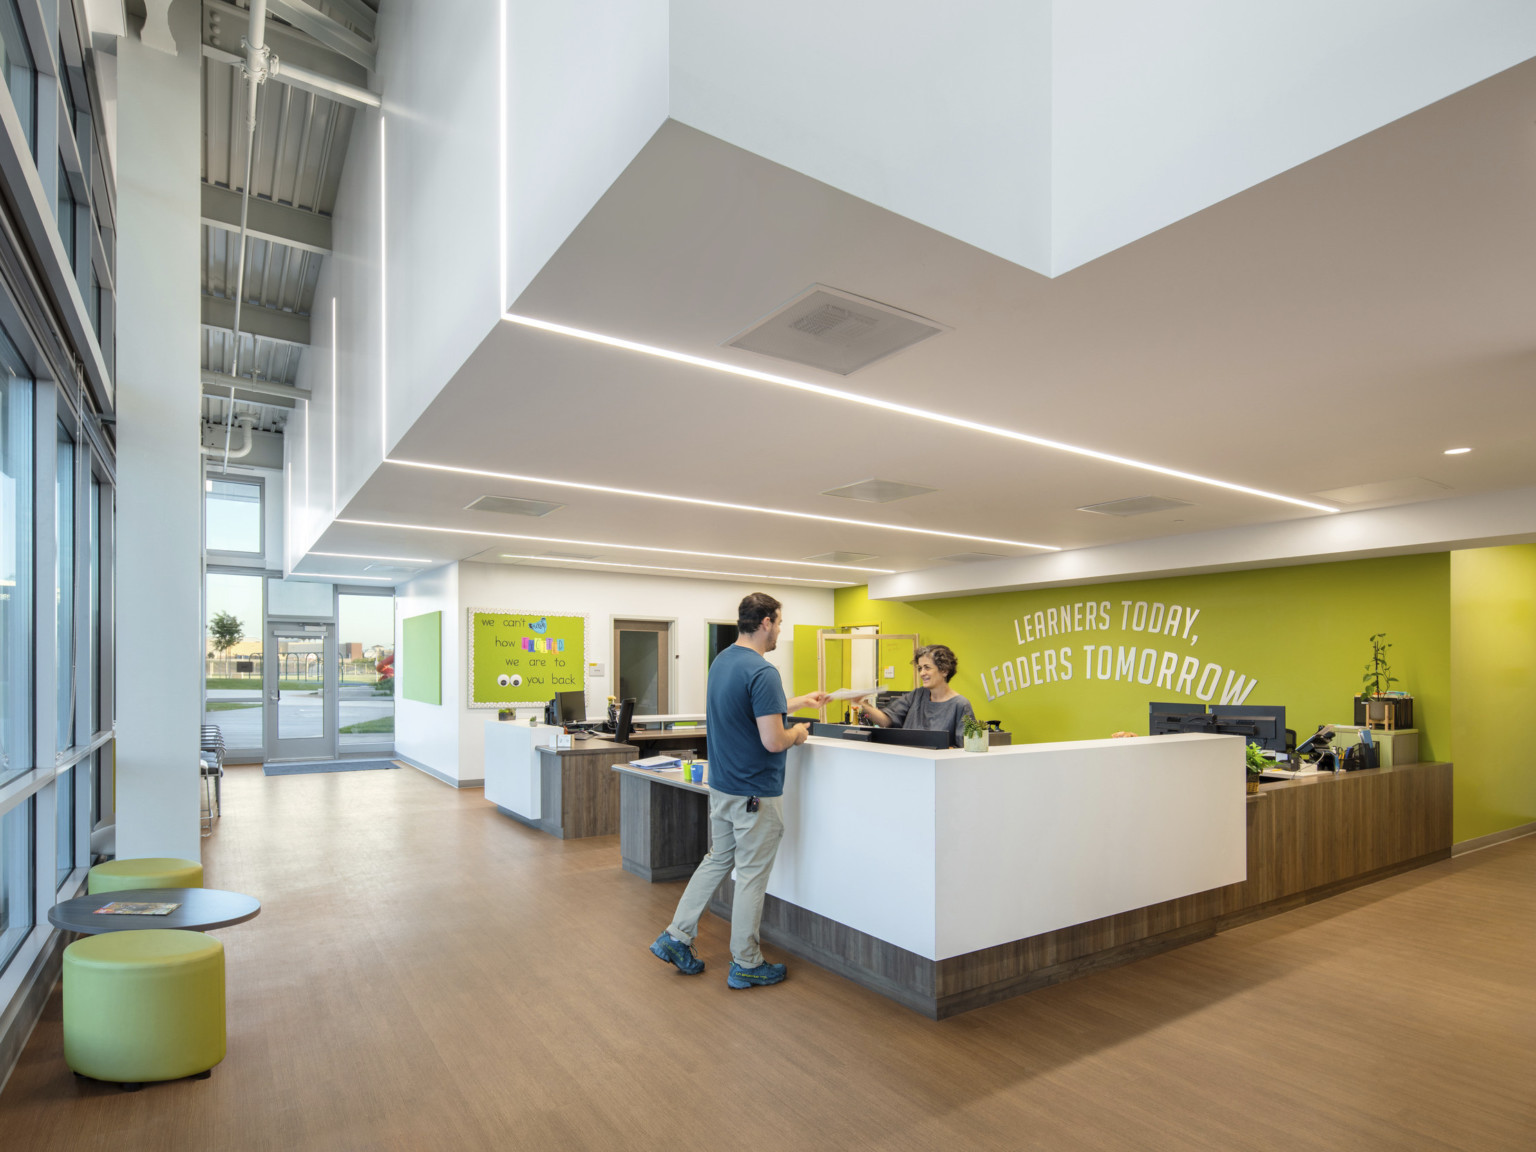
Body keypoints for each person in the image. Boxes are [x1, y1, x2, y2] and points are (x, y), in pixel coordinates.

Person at [650, 593, 828, 989]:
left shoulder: (725, 661)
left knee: (716, 860)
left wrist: (799, 700)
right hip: (754, 792)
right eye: (779, 622)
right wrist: (797, 733)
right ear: (765, 622)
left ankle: (676, 936)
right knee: (750, 877)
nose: (780, 629)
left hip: (724, 786)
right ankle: (746, 961)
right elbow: (773, 740)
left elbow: (748, 707)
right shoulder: (763, 672)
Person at [856, 644, 975, 748]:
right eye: (920, 668)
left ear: (944, 671)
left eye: (927, 667)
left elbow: (966, 748)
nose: (922, 673)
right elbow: (886, 721)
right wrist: (862, 703)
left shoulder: (960, 705)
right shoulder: (916, 696)